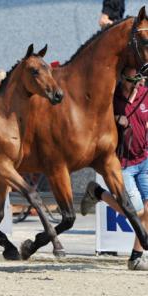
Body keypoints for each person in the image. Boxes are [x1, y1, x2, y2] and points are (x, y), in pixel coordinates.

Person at [81, 67, 148, 270]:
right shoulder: (111, 98)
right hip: (122, 163)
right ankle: (98, 193)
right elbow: (93, 122)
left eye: (140, 78)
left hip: (144, 159)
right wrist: (115, 120)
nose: (138, 83)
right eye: (133, 78)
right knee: (135, 212)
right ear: (123, 78)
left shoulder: (145, 95)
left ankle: (136, 257)